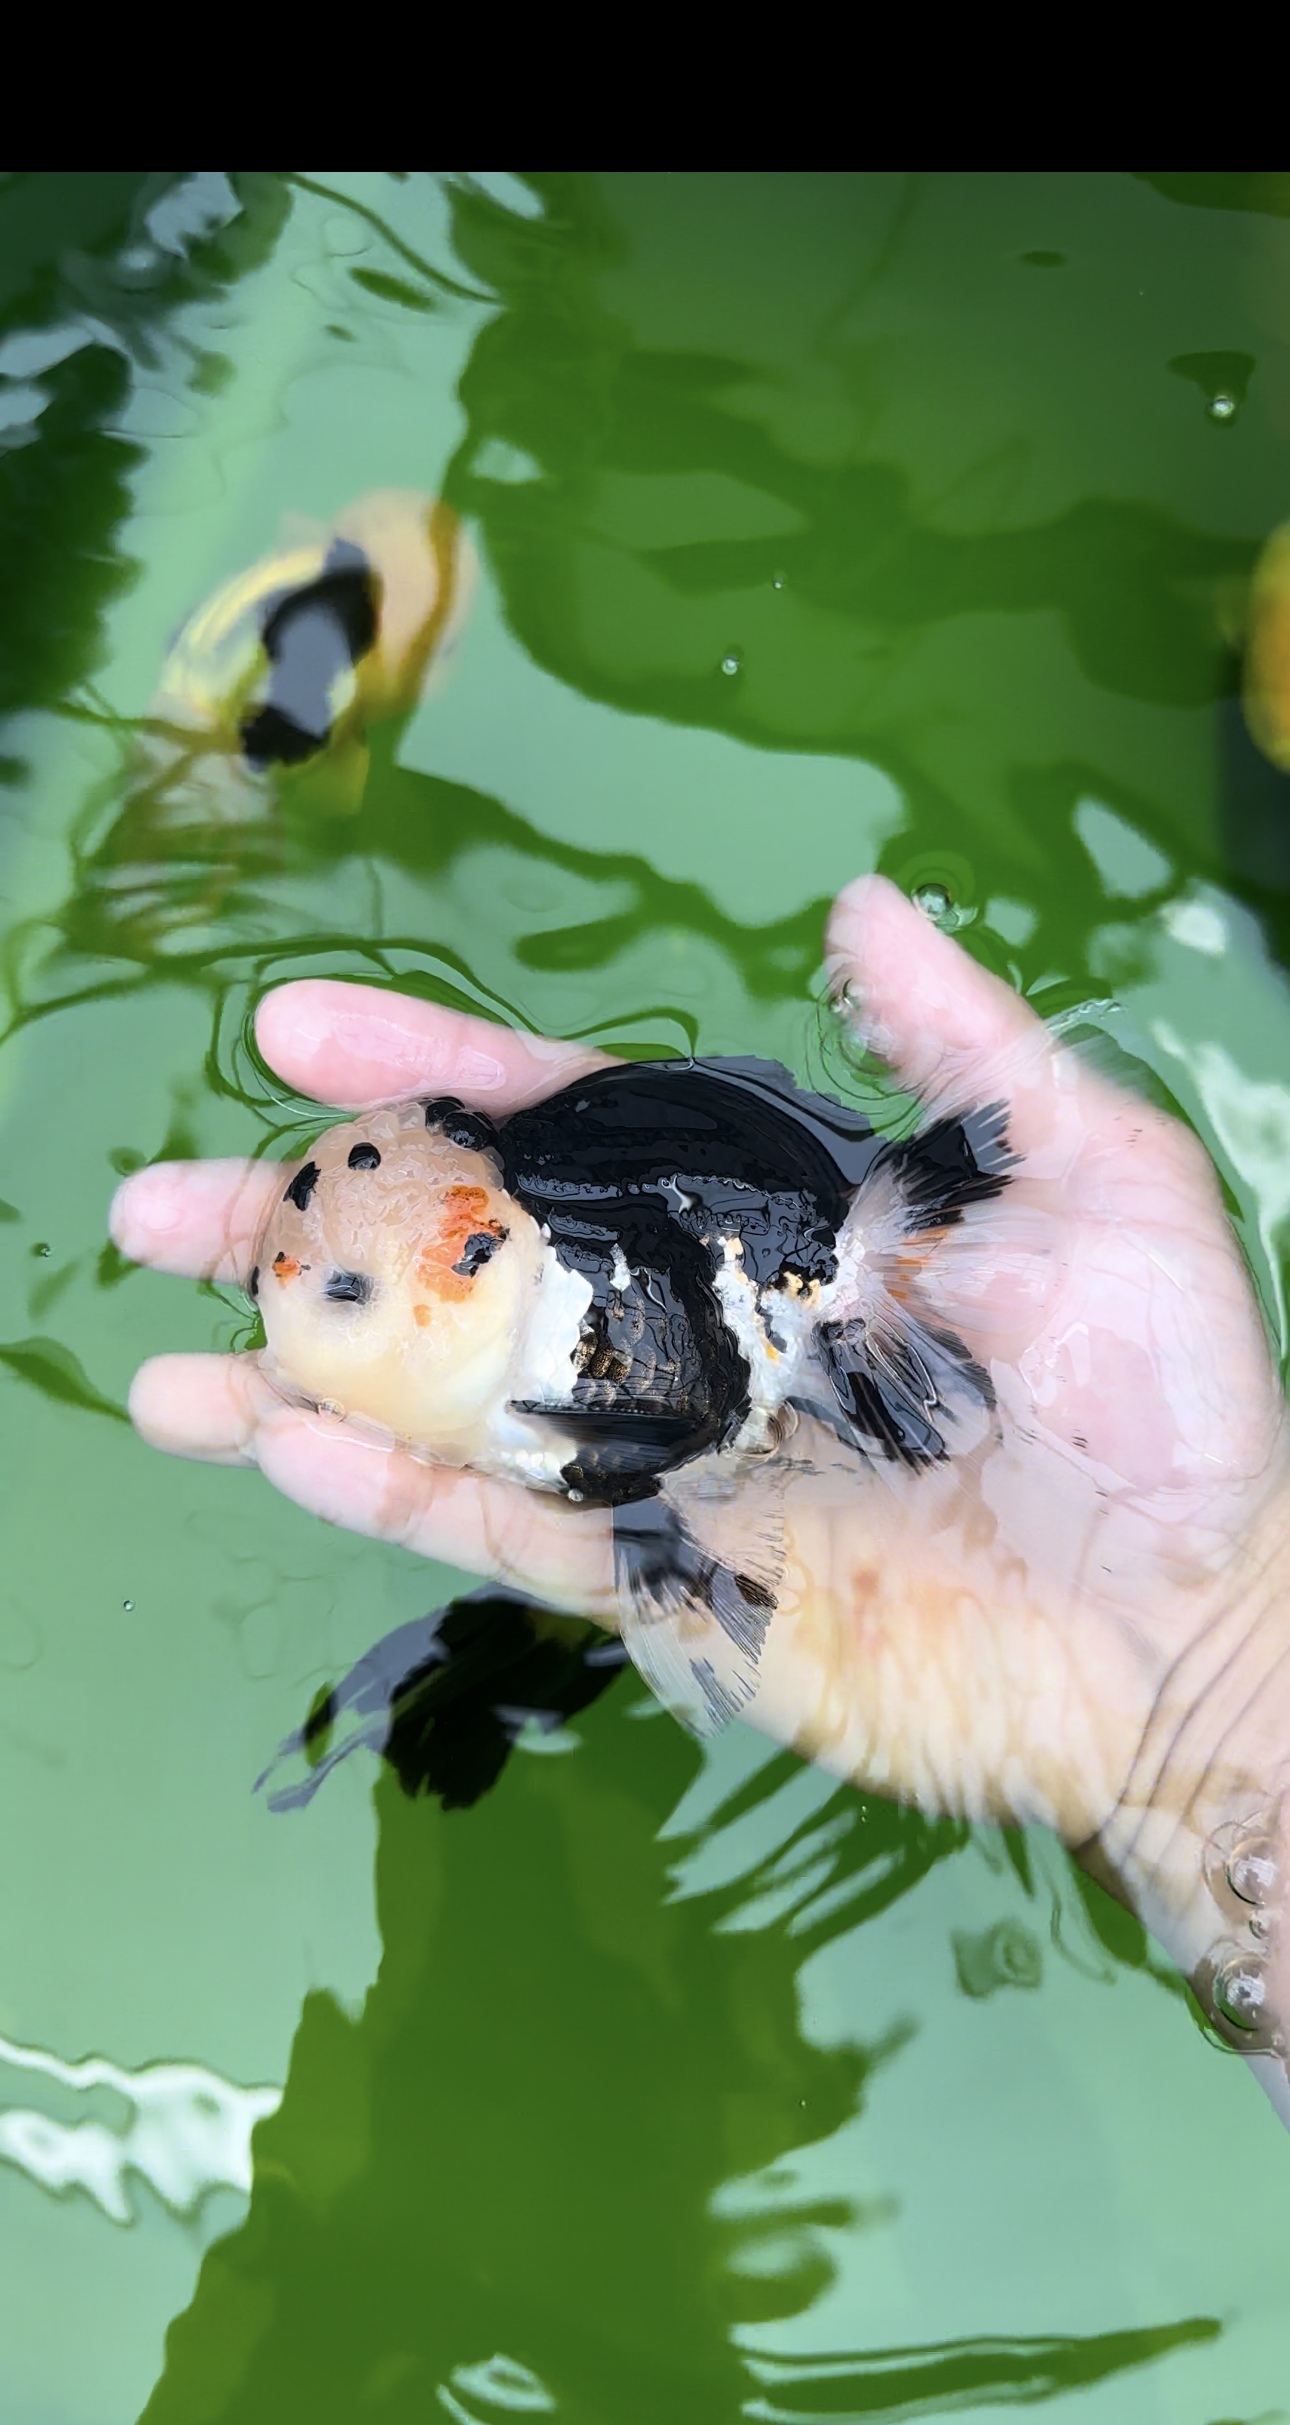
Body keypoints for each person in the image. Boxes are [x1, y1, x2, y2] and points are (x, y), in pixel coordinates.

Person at [110, 874, 1290, 2129]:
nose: (292, 1289)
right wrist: (1213, 1681)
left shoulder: (562, 1326)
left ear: (472, 1250)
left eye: (341, 1289)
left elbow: (640, 1436)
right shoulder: (506, 1307)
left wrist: (1216, 1664)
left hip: (745, 1350)